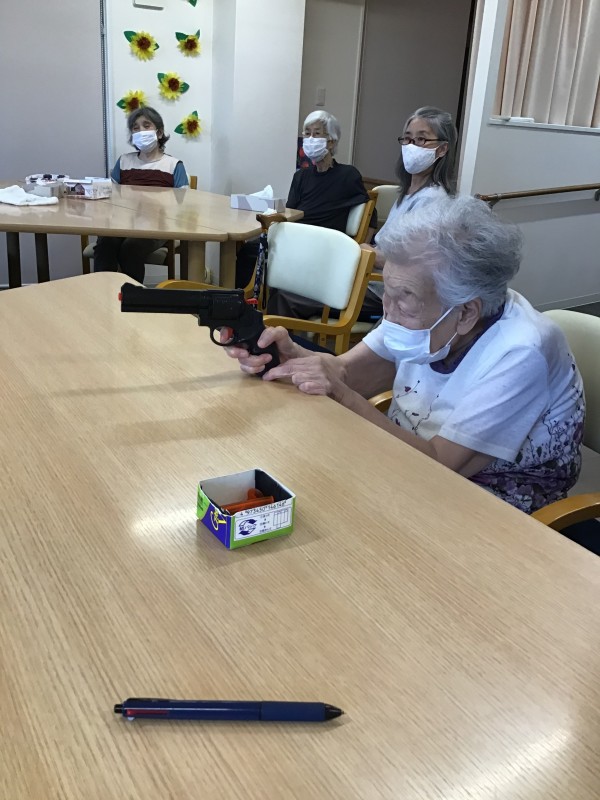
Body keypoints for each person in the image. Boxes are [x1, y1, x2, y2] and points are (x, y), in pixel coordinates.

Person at [223, 196, 585, 514]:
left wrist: (342, 394)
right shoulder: (424, 316)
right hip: (404, 465)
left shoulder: (522, 350)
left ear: (466, 313)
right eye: (388, 293)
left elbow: (440, 466)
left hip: (492, 506)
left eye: (405, 300)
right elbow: (347, 372)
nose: (389, 313)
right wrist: (290, 359)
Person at [235, 110, 370, 289]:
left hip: (324, 242)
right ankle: (246, 299)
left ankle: (252, 298)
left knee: (251, 252)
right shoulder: (301, 176)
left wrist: (357, 252)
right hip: (296, 237)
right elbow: (290, 213)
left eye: (317, 133)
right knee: (248, 250)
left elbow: (370, 215)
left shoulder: (348, 175)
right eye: (307, 134)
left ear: (331, 141)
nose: (310, 139)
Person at [361, 106, 458, 314]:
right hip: (370, 278)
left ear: (442, 149)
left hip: (386, 289)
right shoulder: (407, 193)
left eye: (421, 139)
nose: (412, 146)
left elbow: (416, 267)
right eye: (407, 139)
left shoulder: (433, 200)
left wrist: (370, 255)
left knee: (296, 295)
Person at [93, 106, 189, 283]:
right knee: (105, 242)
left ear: (159, 133)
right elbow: (110, 195)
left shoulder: (173, 165)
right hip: (122, 223)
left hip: (157, 227)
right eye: (135, 128)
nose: (141, 131)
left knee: (131, 247)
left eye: (146, 125)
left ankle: (132, 295)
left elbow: (181, 205)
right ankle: (104, 291)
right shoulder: (124, 161)